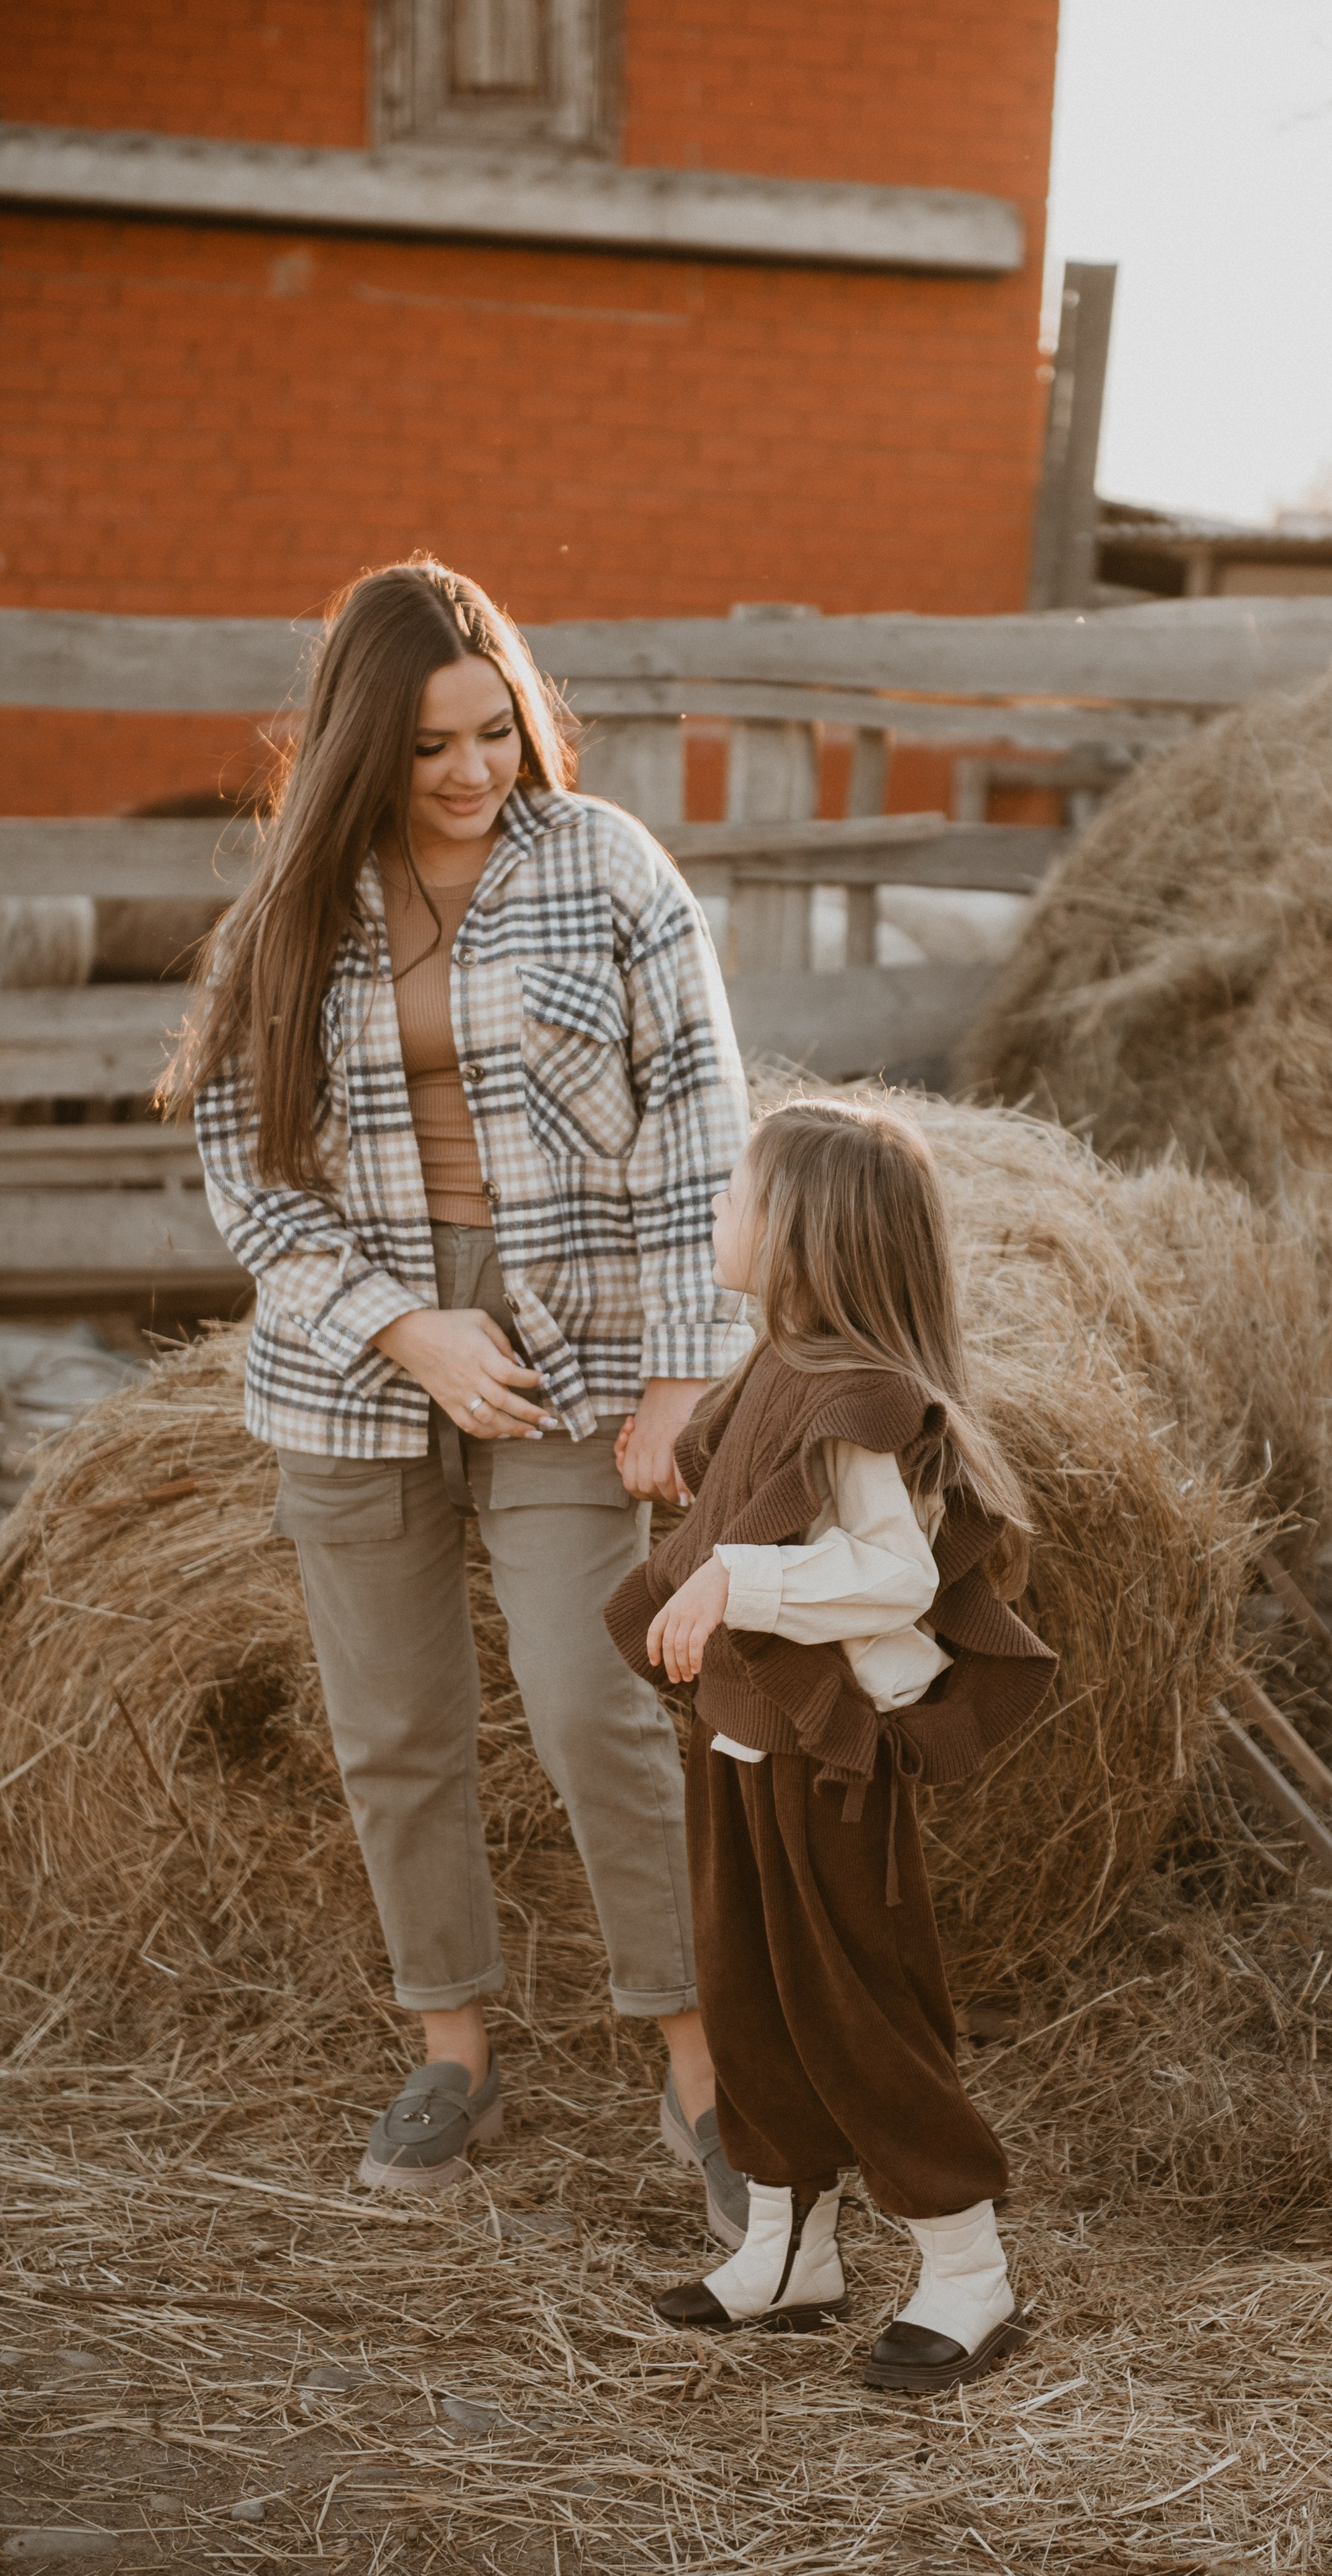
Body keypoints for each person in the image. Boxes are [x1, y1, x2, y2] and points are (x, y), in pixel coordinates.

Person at [171, 560, 752, 2233]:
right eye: (431, 744)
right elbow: (245, 1168)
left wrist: (673, 1379)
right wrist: (398, 1327)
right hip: (358, 1367)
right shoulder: (288, 907)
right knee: (397, 1732)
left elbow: (699, 1127)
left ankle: (699, 2068)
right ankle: (455, 2052)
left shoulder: (607, 872)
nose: (474, 770)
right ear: (363, 742)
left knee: (592, 1705)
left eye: (496, 730)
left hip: (567, 1343)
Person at [604, 1099, 1058, 2393]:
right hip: (747, 1742)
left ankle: (971, 2274)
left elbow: (893, 1573)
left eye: (737, 1194)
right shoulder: (773, 1366)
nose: (717, 1211)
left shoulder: (850, 1393)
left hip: (830, 1760)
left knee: (855, 2010)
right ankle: (788, 2247)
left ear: (801, 1233)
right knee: (747, 1996)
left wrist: (733, 1582)